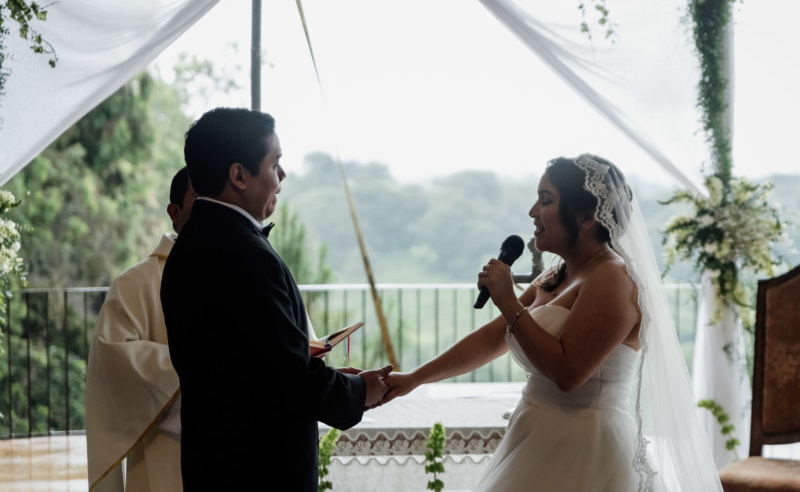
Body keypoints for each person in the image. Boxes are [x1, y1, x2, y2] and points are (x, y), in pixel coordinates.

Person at [382, 154, 723, 491]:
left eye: (545, 200)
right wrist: (414, 378)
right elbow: (492, 339)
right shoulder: (558, 273)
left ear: (587, 217)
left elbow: (568, 374)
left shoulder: (614, 278)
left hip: (586, 448)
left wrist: (508, 301)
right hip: (534, 433)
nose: (533, 212)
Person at [160, 107, 391, 491]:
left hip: (212, 461)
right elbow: (288, 379)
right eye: (274, 164)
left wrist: (331, 378)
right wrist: (361, 391)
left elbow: (249, 362)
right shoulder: (244, 253)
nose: (282, 176)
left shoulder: (189, 246)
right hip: (259, 469)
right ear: (239, 175)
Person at [86, 167, 195, 492]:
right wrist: (204, 370)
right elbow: (113, 359)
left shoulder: (247, 271)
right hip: (163, 456)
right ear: (174, 213)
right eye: (202, 200)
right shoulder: (136, 283)